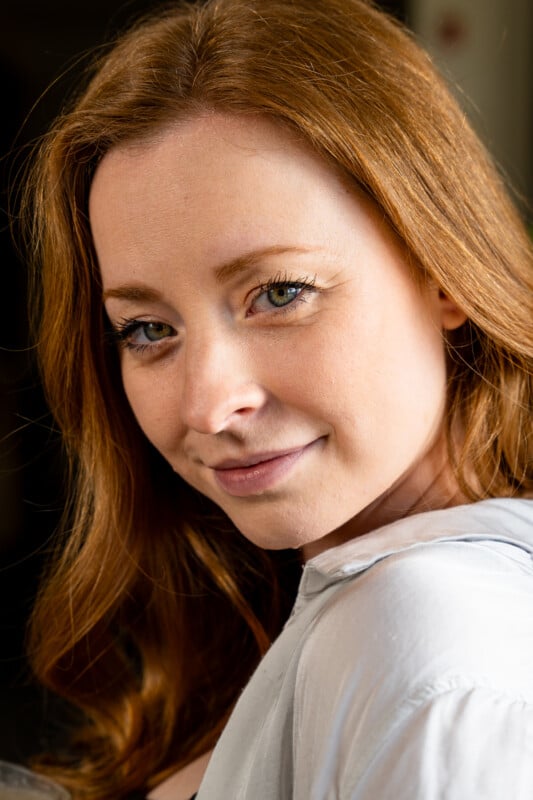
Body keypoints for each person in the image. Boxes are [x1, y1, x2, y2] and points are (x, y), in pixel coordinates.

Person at [19, 0, 533, 798]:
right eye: (148, 329)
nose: (207, 404)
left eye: (281, 292)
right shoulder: (341, 609)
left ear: (441, 267)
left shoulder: (423, 628)